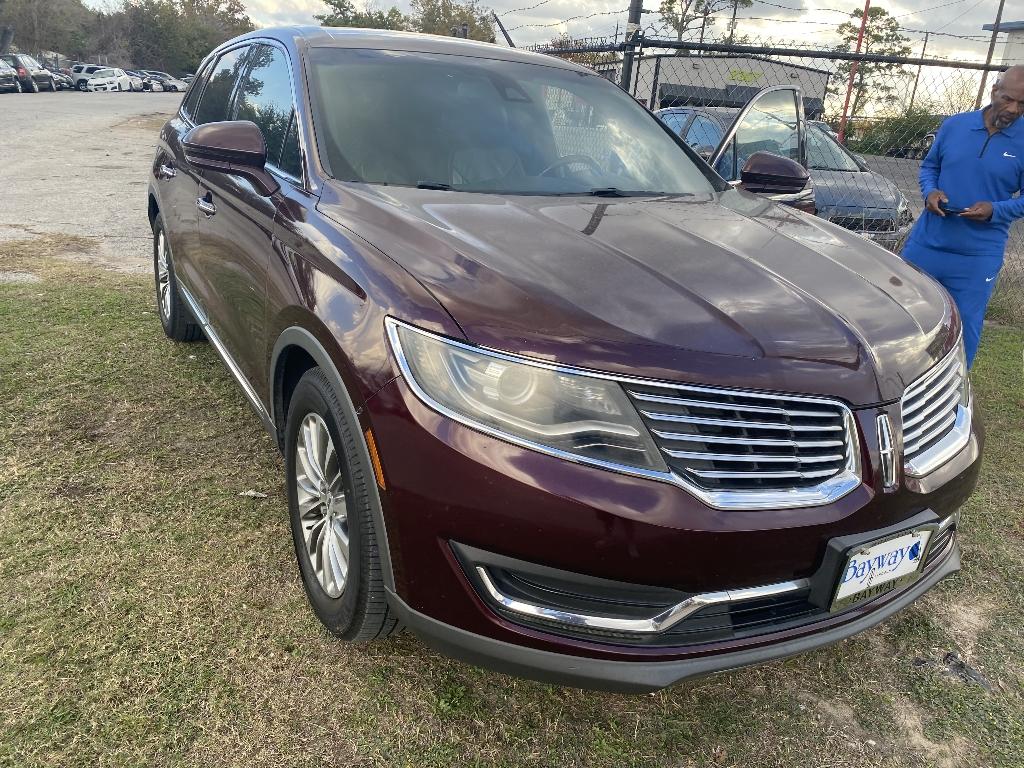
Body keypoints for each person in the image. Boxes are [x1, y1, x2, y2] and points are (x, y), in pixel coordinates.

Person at [900, 65, 1024, 367]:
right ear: (994, 91)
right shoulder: (955, 125)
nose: (1013, 109)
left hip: (977, 255)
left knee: (964, 327)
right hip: (926, 244)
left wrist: (997, 209)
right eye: (1008, 99)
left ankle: (955, 396)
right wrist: (931, 192)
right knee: (905, 315)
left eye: (1023, 104)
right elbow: (930, 167)